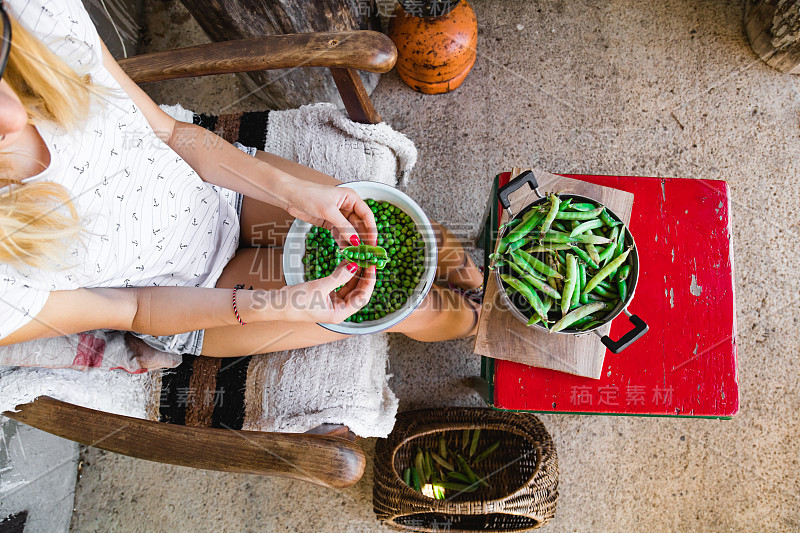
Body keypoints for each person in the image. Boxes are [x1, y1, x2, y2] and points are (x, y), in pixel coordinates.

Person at [0, 0, 483, 360]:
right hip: (193, 294)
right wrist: (279, 303)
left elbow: (169, 132)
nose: (10, 113)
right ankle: (488, 326)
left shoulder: (31, 17)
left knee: (428, 240)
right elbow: (132, 308)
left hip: (220, 188)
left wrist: (289, 191)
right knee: (420, 310)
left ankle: (493, 289)